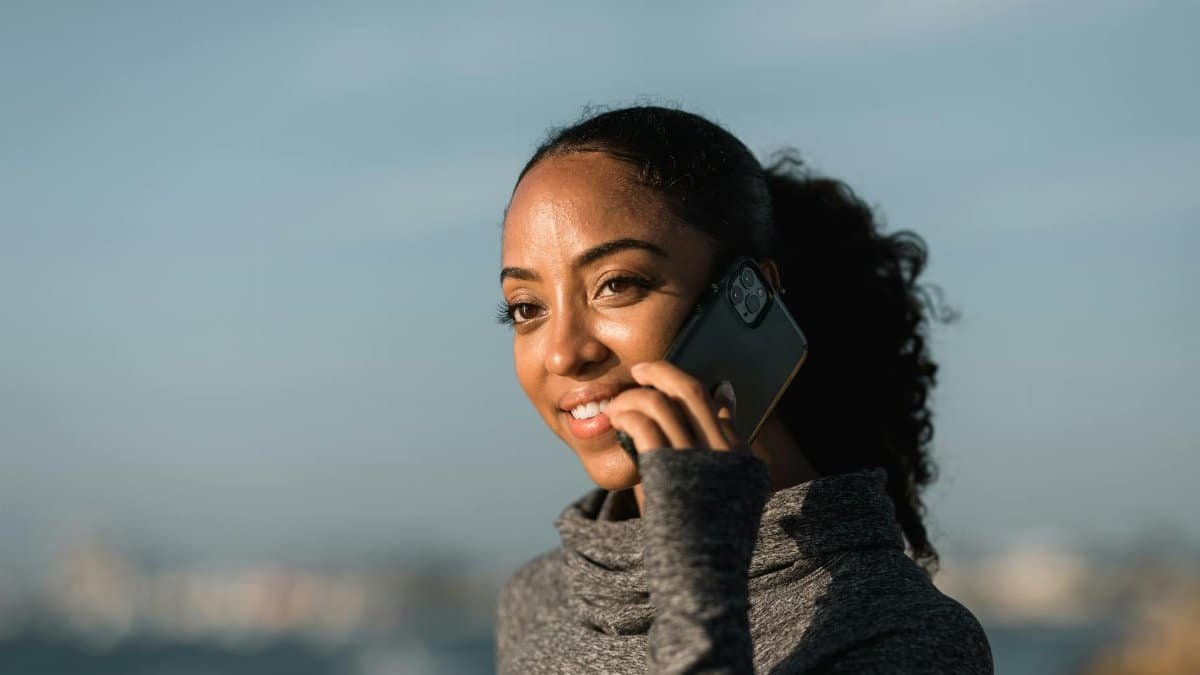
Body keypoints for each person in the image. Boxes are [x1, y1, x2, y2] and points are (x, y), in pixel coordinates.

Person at [493, 104, 993, 674]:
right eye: (526, 308)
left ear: (750, 294)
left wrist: (697, 567)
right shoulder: (537, 598)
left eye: (617, 284)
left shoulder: (902, 630)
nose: (562, 352)